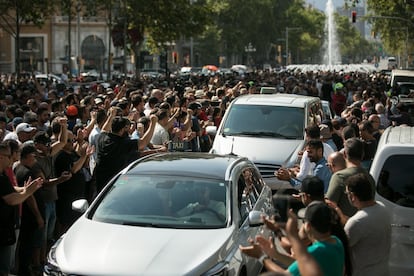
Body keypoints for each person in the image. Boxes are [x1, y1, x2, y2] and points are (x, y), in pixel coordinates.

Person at [240, 202, 345, 276]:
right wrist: (275, 254)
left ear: (308, 226)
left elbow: (285, 274)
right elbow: (300, 264)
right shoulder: (336, 241)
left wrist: (262, 257)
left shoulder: (316, 251)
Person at [0, 142, 43, 276]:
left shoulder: (3, 175)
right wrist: (28, 192)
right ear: (1, 157)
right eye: (9, 155)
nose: (12, 158)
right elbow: (12, 199)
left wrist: (25, 189)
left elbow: (11, 190)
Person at [94, 107, 157, 192]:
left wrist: (111, 116)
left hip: (100, 184)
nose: (129, 130)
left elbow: (104, 129)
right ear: (122, 129)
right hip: (114, 186)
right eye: (127, 128)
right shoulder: (122, 143)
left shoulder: (102, 138)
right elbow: (143, 143)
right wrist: (153, 123)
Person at [344, 173, 391, 276]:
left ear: (352, 196)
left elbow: (342, 250)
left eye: (347, 193)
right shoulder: (383, 208)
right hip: (383, 271)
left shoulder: (356, 222)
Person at [325, 138, 375, 217]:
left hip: (344, 226)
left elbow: (330, 204)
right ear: (362, 155)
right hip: (366, 224)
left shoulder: (339, 177)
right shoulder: (369, 178)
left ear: (344, 154)